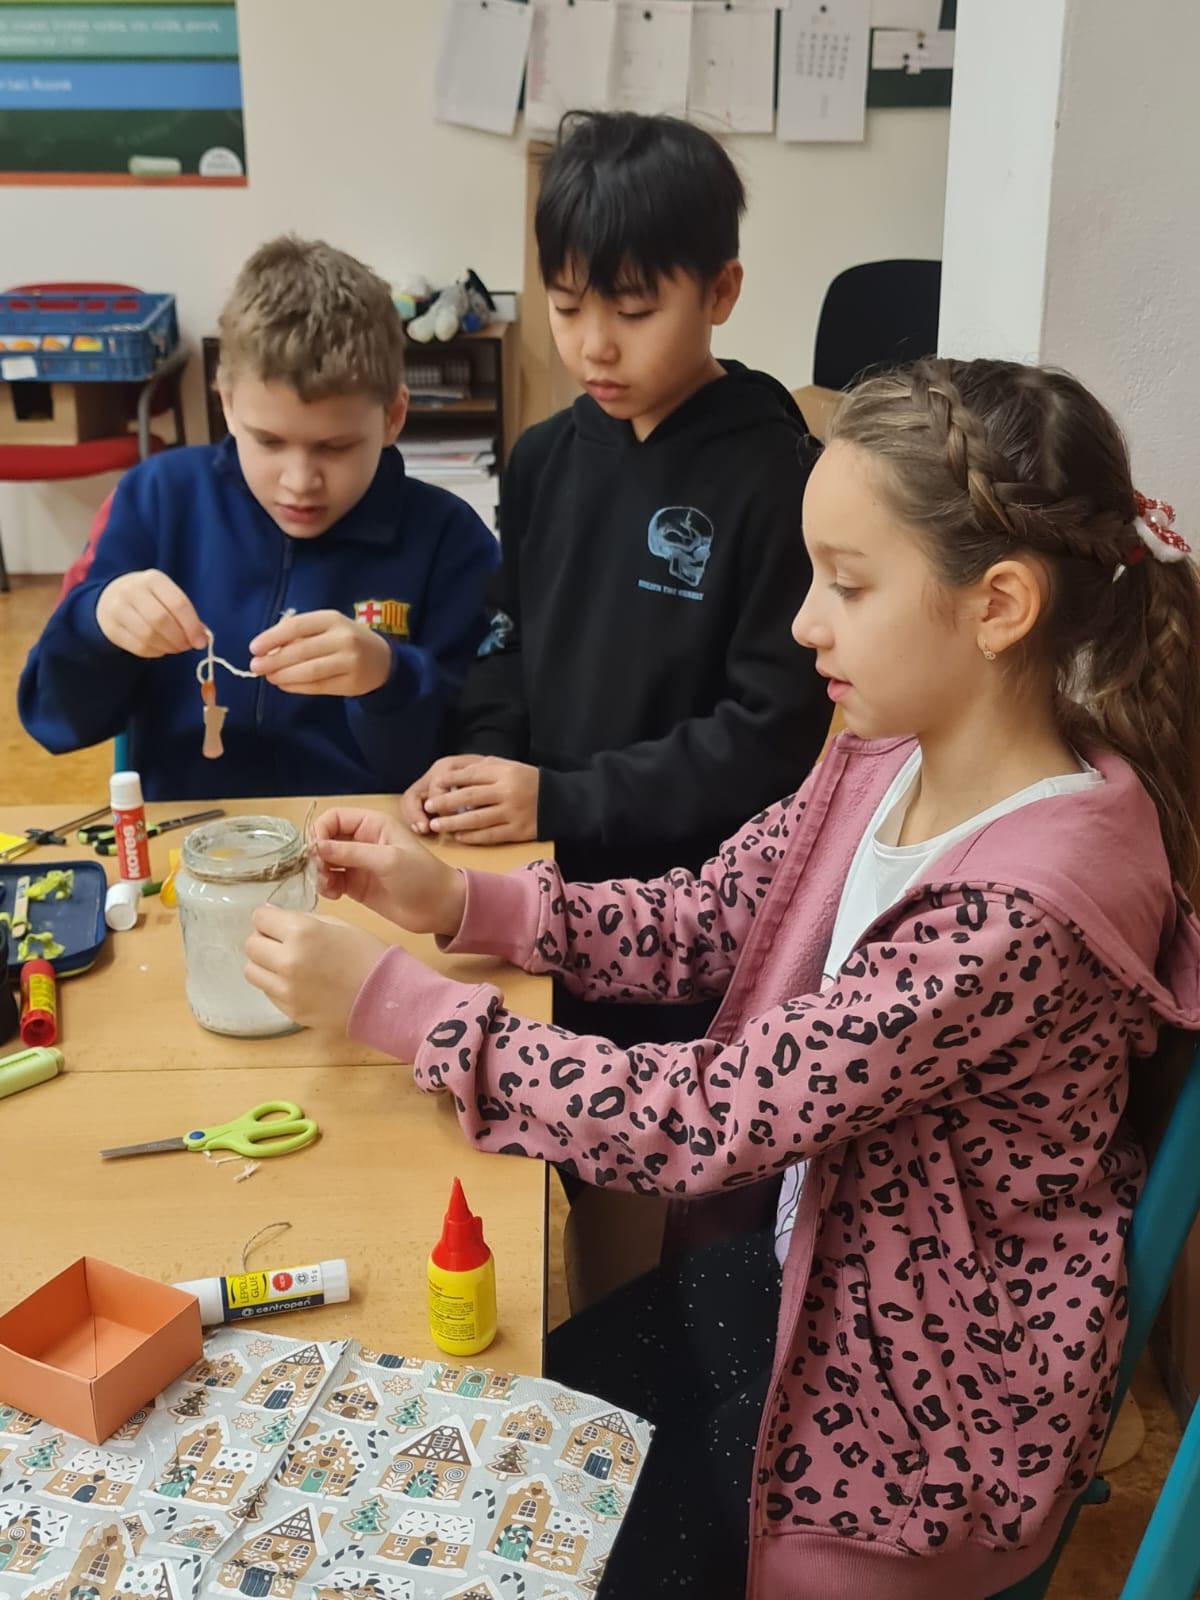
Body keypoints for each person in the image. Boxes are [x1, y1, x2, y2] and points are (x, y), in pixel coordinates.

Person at [243, 358, 1200, 1598]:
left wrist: (400, 1005)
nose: (805, 621)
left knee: (506, 1526)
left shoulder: (1015, 910)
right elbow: (708, 915)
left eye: (847, 583)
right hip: (822, 1271)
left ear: (998, 605)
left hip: (920, 1422)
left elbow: (710, 1115)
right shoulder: (893, 753)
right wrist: (464, 903)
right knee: (484, 1427)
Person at [404, 113, 829, 1049]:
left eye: (633, 313)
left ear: (721, 291)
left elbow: (768, 739)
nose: (595, 345)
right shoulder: (544, 458)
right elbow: (505, 644)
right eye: (567, 308)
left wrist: (563, 797)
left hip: (687, 927)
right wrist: (480, 772)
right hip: (533, 876)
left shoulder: (780, 478)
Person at [19, 234, 498, 799]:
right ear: (226, 401)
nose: (300, 481)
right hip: (192, 837)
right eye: (268, 441)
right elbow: (53, 719)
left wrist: (388, 679)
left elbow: (472, 756)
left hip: (369, 839)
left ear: (393, 416)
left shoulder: (450, 541)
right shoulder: (157, 501)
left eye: (336, 447)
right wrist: (96, 624)